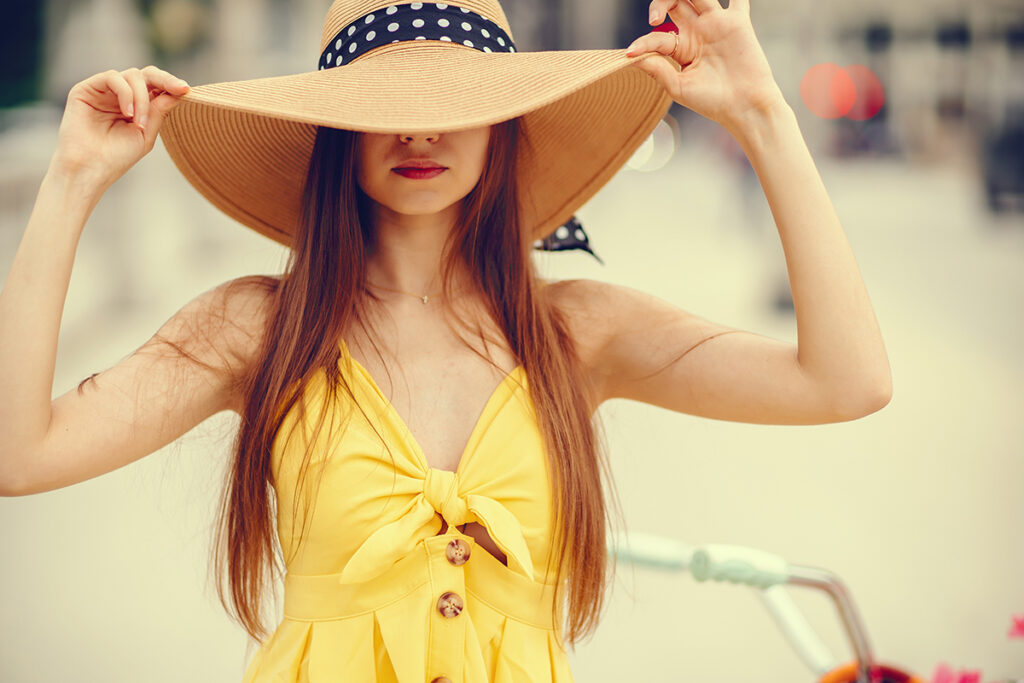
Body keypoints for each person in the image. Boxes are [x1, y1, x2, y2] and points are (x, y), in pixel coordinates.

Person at [0, 0, 892, 680]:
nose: (421, 130)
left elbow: (846, 380)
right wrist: (73, 181)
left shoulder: (575, 331)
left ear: (505, 125)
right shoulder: (259, 327)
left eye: (454, 102)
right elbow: (18, 452)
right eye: (385, 104)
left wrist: (764, 117)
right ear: (335, 135)